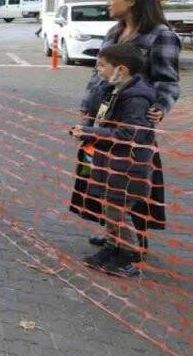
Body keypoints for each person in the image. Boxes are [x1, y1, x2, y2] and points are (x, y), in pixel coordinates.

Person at [68, 42, 159, 277]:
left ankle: (128, 256)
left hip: (128, 168)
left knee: (117, 212)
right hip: (111, 165)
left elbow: (129, 135)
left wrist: (91, 134)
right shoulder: (113, 88)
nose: (98, 69)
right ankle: (112, 248)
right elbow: (102, 120)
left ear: (122, 69)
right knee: (110, 210)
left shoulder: (136, 97)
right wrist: (86, 129)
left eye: (103, 65)